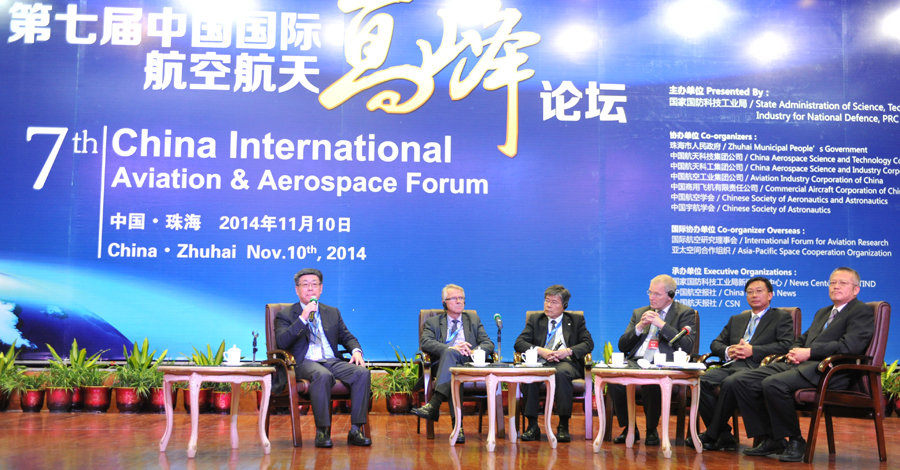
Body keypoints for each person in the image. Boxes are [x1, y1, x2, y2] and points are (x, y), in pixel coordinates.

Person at [727, 267, 874, 462]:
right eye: (832, 283)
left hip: (831, 372)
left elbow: (850, 346)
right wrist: (794, 351)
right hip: (803, 367)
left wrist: (810, 353)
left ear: (856, 290)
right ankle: (771, 438)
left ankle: (795, 440)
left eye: (843, 283)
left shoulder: (861, 311)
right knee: (742, 380)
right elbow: (804, 338)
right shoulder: (824, 312)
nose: (836, 286)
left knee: (773, 383)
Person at [274, 268, 372, 448]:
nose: (310, 288)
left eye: (314, 284)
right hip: (304, 362)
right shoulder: (285, 315)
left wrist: (356, 351)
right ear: (297, 289)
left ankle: (356, 430)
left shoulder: (332, 312)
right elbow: (282, 342)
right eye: (305, 284)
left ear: (321, 289)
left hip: (331, 360)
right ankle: (322, 431)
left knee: (361, 373)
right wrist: (303, 318)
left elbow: (346, 336)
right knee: (322, 375)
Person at [694, 276, 794, 451]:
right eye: (750, 292)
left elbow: (786, 345)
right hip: (733, 365)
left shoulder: (781, 317)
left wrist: (753, 350)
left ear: (770, 295)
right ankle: (724, 434)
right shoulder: (737, 319)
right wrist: (728, 351)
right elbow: (716, 343)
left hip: (758, 368)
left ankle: (712, 434)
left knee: (731, 383)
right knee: (701, 381)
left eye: (759, 291)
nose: (754, 295)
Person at [609, 274, 696, 446]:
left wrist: (661, 324)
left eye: (657, 294)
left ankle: (651, 429)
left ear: (670, 295)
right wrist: (639, 326)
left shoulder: (684, 313)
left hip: (663, 362)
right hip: (637, 360)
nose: (651, 297)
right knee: (616, 379)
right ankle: (629, 428)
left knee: (652, 381)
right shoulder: (639, 312)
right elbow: (622, 346)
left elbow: (687, 345)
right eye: (650, 292)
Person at [411, 284, 495, 444]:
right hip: (444, 365)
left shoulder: (473, 320)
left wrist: (473, 351)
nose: (459, 301)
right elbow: (426, 342)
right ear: (444, 302)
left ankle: (434, 405)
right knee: (453, 368)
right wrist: (451, 348)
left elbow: (488, 343)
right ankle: (458, 426)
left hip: (468, 362)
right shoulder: (433, 322)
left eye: (461, 298)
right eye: (454, 298)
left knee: (455, 370)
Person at [514, 285, 594, 443]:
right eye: (546, 301)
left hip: (565, 363)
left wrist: (567, 351)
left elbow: (588, 343)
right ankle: (532, 426)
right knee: (531, 375)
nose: (548, 305)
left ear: (564, 305)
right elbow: (519, 343)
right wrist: (540, 350)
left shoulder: (575, 320)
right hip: (541, 362)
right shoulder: (536, 320)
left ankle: (563, 425)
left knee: (561, 373)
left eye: (554, 302)